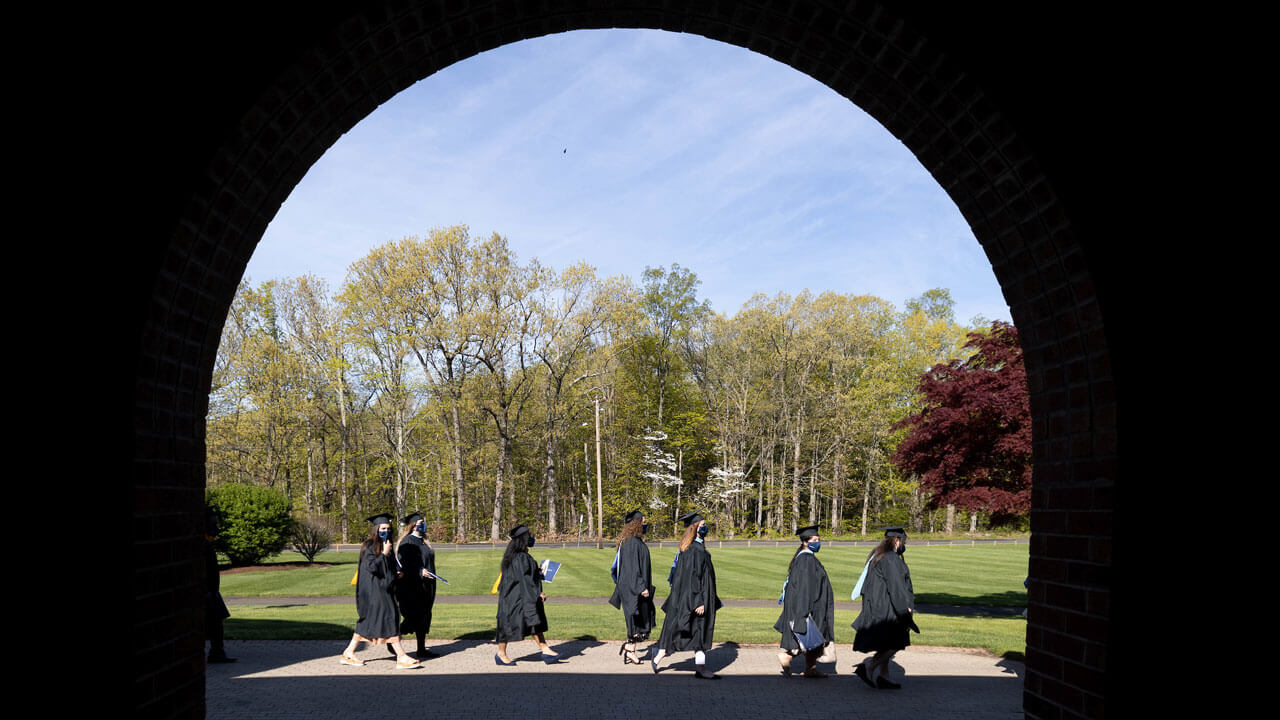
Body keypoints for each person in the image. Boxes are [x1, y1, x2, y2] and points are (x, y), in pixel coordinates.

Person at [340, 513, 421, 669]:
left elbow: (386, 569)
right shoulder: (369, 546)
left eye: (389, 528)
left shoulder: (387, 544)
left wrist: (396, 574)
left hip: (386, 589)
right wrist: (384, 553)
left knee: (372, 621)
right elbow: (371, 567)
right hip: (374, 592)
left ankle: (349, 652)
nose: (386, 531)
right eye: (383, 528)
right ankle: (401, 656)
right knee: (389, 617)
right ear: (376, 529)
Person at [652, 511, 722, 679]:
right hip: (696, 597)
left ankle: (695, 665)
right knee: (694, 629)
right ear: (695, 528)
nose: (706, 528)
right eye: (703, 526)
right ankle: (662, 654)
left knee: (693, 631)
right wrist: (699, 601)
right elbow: (693, 578)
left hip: (693, 596)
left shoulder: (691, 548)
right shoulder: (694, 550)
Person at [851, 526, 918, 689]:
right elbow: (896, 587)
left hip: (878, 606)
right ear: (897, 540)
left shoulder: (878, 556)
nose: (904, 544)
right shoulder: (891, 559)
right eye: (904, 541)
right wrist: (905, 609)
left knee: (886, 642)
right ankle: (869, 666)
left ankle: (884, 676)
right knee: (896, 642)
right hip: (888, 608)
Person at [774, 524, 834, 678]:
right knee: (810, 635)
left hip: (810, 603)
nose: (818, 542)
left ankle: (810, 668)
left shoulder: (803, 558)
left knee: (813, 638)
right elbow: (806, 588)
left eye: (819, 539)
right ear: (806, 542)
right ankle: (787, 656)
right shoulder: (806, 560)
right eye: (815, 540)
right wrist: (804, 610)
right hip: (810, 605)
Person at [494, 524, 559, 665]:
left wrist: (538, 572)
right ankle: (500, 653)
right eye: (528, 536)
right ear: (523, 539)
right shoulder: (521, 557)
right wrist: (538, 593)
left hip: (518, 595)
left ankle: (545, 649)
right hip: (515, 597)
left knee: (532, 621)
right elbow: (525, 579)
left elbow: (526, 575)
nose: (531, 538)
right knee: (508, 624)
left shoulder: (515, 555)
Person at [609, 510, 656, 665]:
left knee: (639, 620)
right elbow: (632, 568)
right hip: (633, 589)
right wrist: (641, 587)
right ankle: (630, 650)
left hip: (634, 587)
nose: (645, 524)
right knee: (636, 620)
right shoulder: (630, 543)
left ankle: (630, 649)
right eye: (643, 521)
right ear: (636, 524)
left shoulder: (633, 541)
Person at [395, 511, 438, 659]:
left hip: (427, 585)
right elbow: (405, 564)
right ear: (413, 526)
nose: (423, 526)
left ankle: (421, 649)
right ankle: (393, 639)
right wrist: (420, 571)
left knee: (425, 616)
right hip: (413, 586)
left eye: (423, 523)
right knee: (414, 618)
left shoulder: (424, 542)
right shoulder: (408, 542)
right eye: (420, 524)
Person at [204, 508, 235, 663]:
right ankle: (217, 651)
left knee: (217, 621)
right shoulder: (203, 543)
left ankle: (217, 651)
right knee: (214, 621)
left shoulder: (208, 541)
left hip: (212, 589)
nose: (216, 528)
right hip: (207, 590)